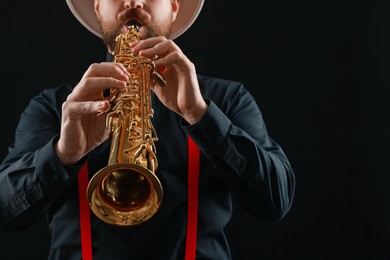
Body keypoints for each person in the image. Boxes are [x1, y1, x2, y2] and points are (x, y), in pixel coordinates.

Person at [0, 0, 295, 259]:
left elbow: (276, 201)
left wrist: (201, 116)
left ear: (175, 6)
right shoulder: (54, 106)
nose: (133, 2)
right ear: (97, 7)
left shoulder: (228, 99)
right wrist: (63, 154)